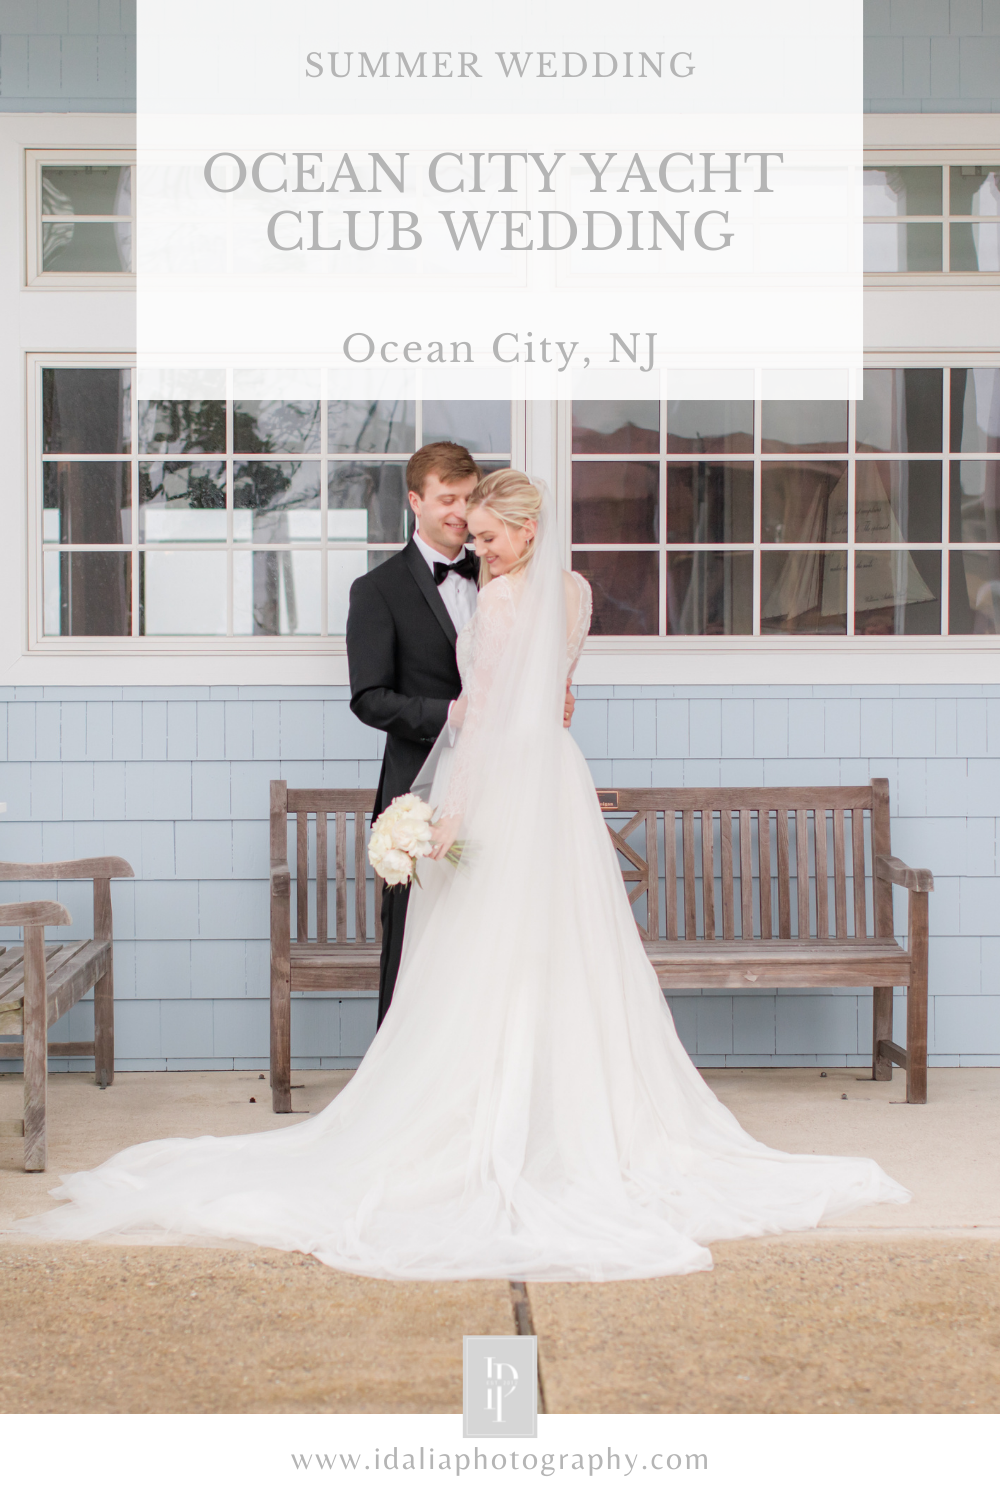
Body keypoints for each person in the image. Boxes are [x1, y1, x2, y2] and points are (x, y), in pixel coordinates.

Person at [17, 471, 909, 1281]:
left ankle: (495, 1120)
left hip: (507, 788)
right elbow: (560, 700)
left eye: (486, 535)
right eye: (470, 535)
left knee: (488, 954)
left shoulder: (510, 600)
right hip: (557, 781)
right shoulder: (575, 591)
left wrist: (444, 818)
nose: (475, 547)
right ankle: (563, 1111)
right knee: (559, 951)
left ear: (524, 529)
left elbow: (479, 726)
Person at [346, 441, 574, 1026]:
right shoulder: (376, 591)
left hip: (506, 792)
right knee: (415, 943)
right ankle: (397, 1078)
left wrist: (549, 695)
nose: (460, 512)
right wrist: (453, 713)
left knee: (500, 938)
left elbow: (531, 666)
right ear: (415, 501)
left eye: (469, 498)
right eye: (447, 499)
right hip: (423, 791)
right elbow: (370, 698)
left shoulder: (507, 569)